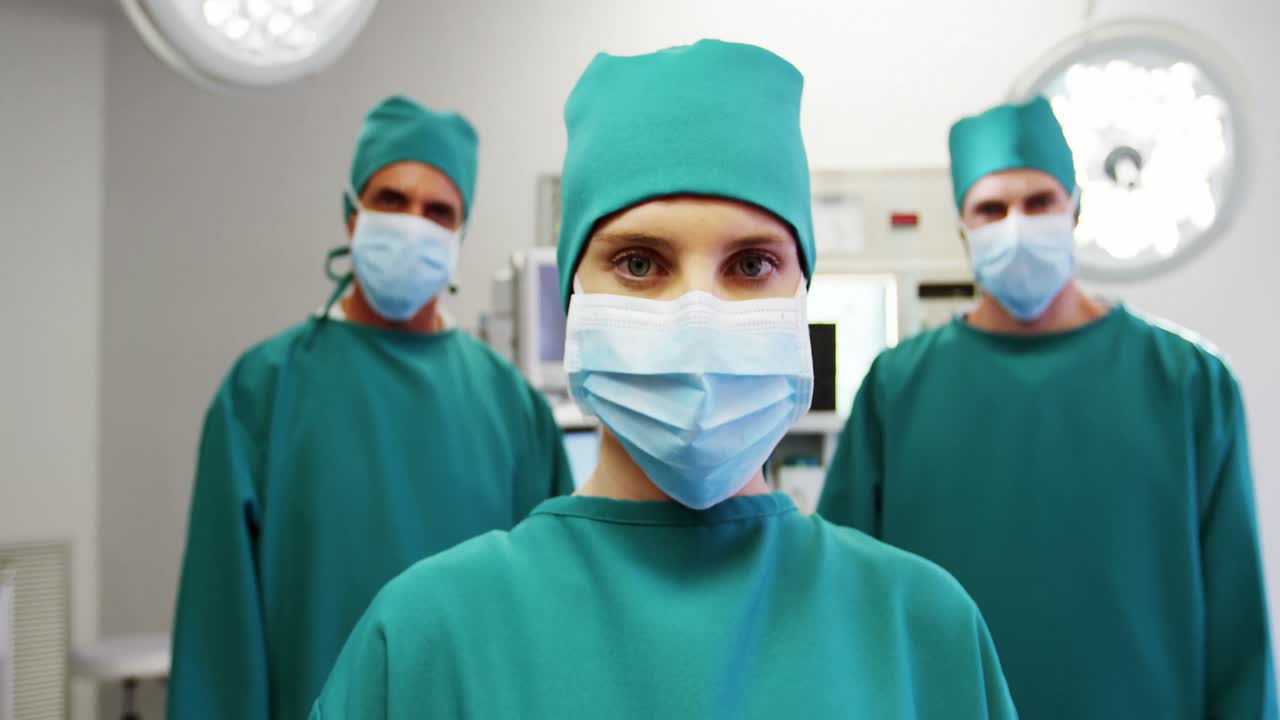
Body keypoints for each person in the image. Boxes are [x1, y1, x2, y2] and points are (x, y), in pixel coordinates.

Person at [310, 40, 1016, 719]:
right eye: (641, 263)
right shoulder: (426, 642)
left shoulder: (921, 630)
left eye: (750, 265)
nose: (696, 318)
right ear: (573, 296)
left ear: (803, 291)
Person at [819, 96, 1276, 720]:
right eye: (992, 209)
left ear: (1075, 209)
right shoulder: (897, 389)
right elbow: (845, 601)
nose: (1015, 223)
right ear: (963, 228)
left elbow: (1237, 624)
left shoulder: (1188, 382)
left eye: (1038, 203)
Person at [168, 95, 573, 720]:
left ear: (460, 234)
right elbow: (219, 641)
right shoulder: (264, 391)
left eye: (439, 211)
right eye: (391, 200)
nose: (414, 222)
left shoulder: (512, 407)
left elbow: (548, 617)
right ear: (351, 215)